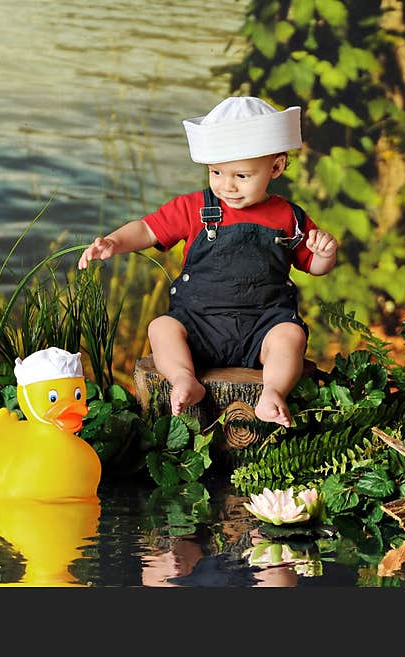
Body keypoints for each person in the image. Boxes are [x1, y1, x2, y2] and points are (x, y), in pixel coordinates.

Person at [77, 96, 338, 426]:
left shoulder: (288, 216)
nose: (226, 185)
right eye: (216, 172)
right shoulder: (195, 208)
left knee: (290, 336)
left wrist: (325, 253)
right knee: (162, 327)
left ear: (276, 167)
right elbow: (147, 228)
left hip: (262, 325)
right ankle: (184, 378)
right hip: (198, 323)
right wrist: (114, 242)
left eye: (241, 176)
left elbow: (313, 265)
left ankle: (272, 391)